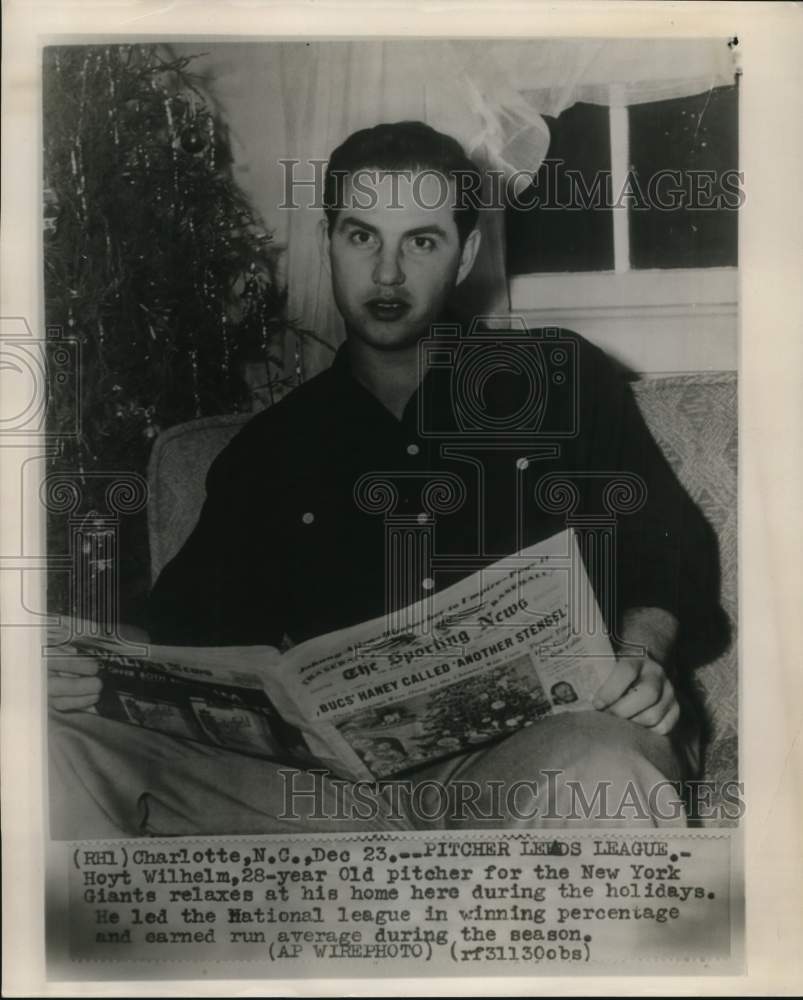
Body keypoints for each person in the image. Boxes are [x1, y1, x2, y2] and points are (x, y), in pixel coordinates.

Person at [48, 121, 726, 836]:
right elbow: (182, 630)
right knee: (59, 749)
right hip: (334, 798)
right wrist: (86, 661)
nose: (387, 274)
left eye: (421, 241)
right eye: (361, 236)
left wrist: (638, 655)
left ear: (464, 255)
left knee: (604, 767)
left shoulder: (562, 380)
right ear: (329, 243)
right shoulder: (272, 448)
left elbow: (670, 555)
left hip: (540, 759)